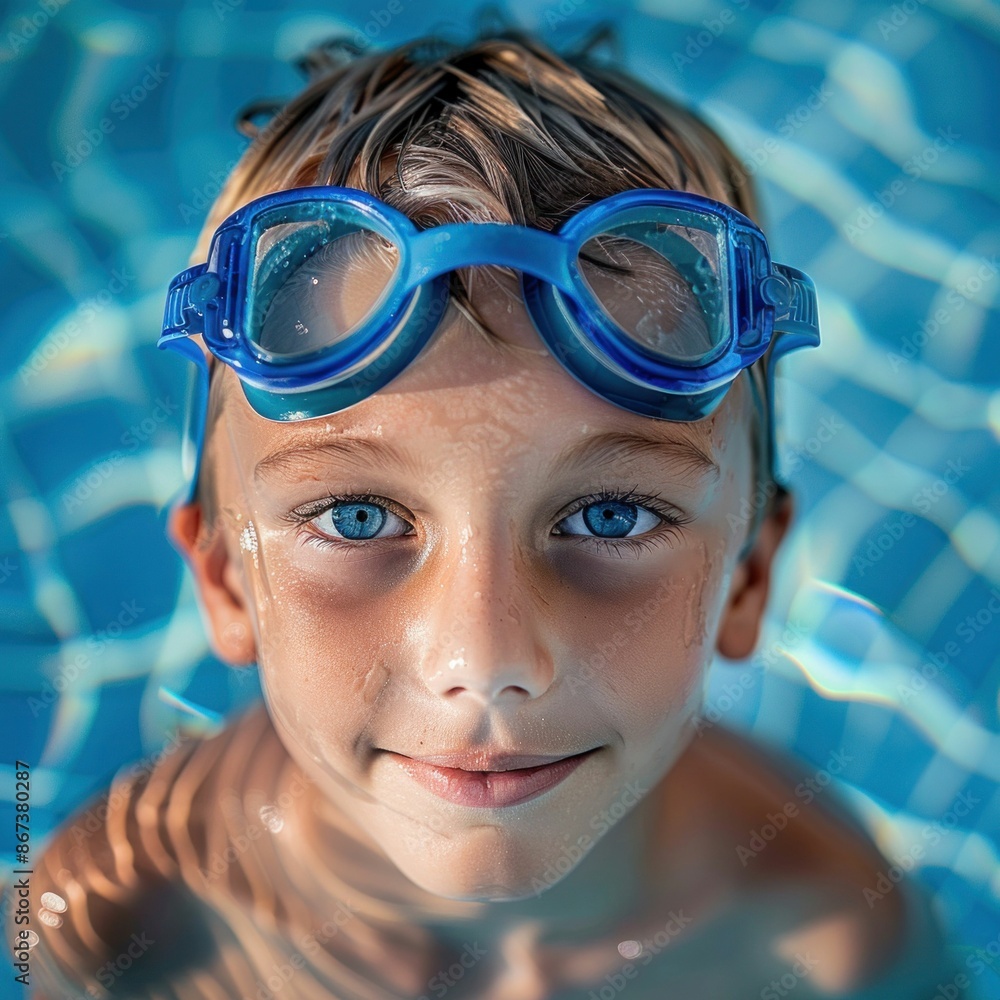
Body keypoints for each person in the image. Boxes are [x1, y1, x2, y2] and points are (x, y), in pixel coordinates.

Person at [20, 26, 959, 1000]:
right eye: (355, 518)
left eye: (607, 517)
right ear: (222, 577)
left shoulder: (826, 928)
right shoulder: (114, 912)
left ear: (749, 576)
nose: (486, 658)